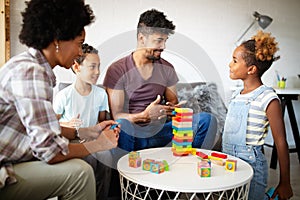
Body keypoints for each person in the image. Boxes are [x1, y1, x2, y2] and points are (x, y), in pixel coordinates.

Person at [0, 0, 119, 200]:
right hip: (4, 169)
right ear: (57, 39)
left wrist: (84, 131)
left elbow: (38, 128)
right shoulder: (30, 72)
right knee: (80, 173)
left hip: (11, 158)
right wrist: (97, 144)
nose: (80, 53)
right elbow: (49, 151)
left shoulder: (29, 67)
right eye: (79, 44)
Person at [103, 9, 217, 156]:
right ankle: (125, 176)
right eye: (158, 41)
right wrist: (144, 115)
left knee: (207, 120)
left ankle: (191, 165)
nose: (163, 47)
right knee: (122, 125)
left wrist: (170, 109)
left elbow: (172, 104)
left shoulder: (167, 69)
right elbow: (117, 116)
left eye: (165, 41)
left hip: (160, 133)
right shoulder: (117, 69)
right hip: (133, 135)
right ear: (141, 38)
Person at [222, 31, 293, 200]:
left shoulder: (268, 98)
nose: (229, 64)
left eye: (234, 61)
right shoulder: (236, 95)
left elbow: (281, 142)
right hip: (229, 162)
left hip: (251, 164)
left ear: (251, 69)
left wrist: (285, 182)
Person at [53, 43, 112, 200]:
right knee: (90, 160)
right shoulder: (64, 96)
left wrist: (102, 133)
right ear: (77, 67)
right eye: (92, 67)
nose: (97, 72)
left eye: (98, 67)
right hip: (72, 140)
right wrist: (67, 125)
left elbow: (101, 122)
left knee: (106, 156)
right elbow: (51, 126)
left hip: (92, 138)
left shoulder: (101, 94)